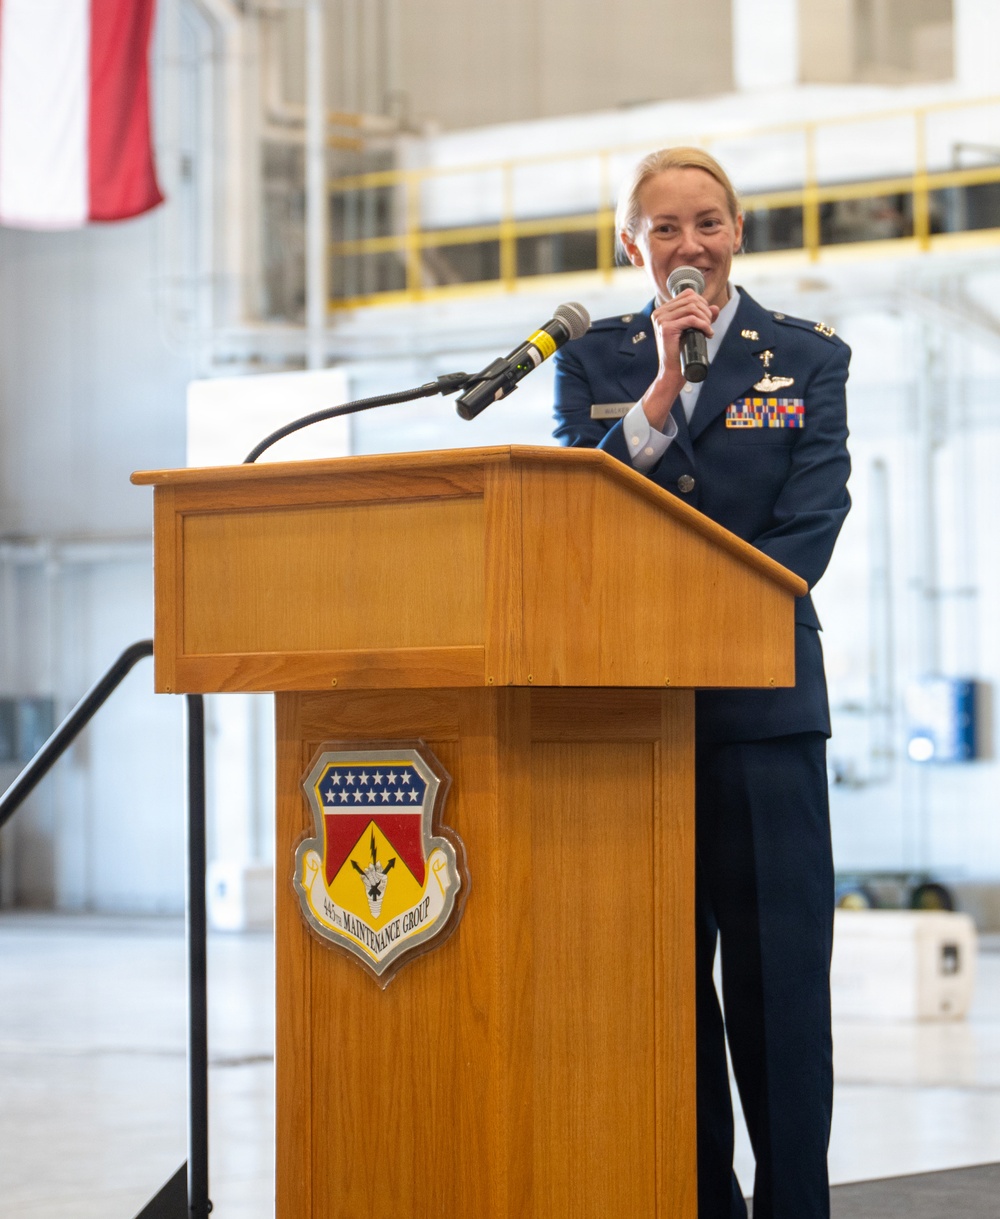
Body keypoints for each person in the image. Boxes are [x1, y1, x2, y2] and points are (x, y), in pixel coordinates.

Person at [552, 147, 851, 1219]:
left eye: (707, 223)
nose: (688, 247)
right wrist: (664, 390)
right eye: (663, 228)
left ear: (737, 233)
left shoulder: (808, 357)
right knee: (661, 991)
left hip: (763, 711)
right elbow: (575, 511)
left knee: (779, 990)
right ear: (628, 245)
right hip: (632, 720)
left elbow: (806, 532)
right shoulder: (597, 360)